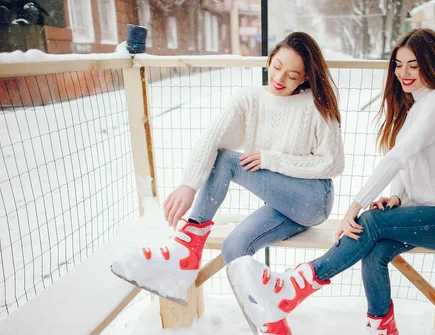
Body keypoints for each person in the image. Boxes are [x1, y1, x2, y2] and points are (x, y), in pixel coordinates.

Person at [226, 28, 435, 335]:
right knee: (372, 252)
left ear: (431, 65)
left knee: (367, 222)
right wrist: (397, 198)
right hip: (421, 215)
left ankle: (294, 286)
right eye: (399, 65)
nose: (404, 73)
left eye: (414, 65)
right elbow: (410, 166)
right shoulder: (417, 107)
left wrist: (354, 208)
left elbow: (399, 156)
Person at [110, 32, 345, 304]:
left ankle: (186, 250)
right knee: (234, 248)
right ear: (270, 60)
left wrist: (273, 160)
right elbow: (213, 138)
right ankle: (269, 324)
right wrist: (189, 185)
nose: (279, 79)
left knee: (227, 161)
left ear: (305, 77)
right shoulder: (249, 99)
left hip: (314, 197)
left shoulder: (316, 105)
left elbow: (333, 163)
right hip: (283, 206)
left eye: (292, 75)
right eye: (277, 67)